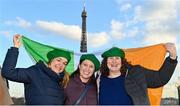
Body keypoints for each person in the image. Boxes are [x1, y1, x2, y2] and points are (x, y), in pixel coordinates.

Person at [1, 34, 71, 105]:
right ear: (51, 60)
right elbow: (8, 72)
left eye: (64, 63)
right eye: (58, 60)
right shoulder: (35, 72)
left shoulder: (63, 82)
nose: (61, 65)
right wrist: (15, 47)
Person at [98, 43, 178, 105]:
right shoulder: (99, 78)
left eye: (117, 58)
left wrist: (172, 59)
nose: (114, 61)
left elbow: (160, 78)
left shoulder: (136, 73)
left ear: (122, 61)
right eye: (111, 58)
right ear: (106, 61)